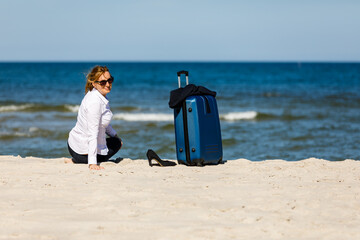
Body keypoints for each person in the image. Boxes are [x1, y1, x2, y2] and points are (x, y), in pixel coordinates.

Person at [67, 66, 122, 170]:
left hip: (74, 144)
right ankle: (79, 160)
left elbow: (104, 122)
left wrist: (115, 135)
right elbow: (93, 132)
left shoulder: (99, 96)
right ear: (94, 83)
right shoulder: (95, 102)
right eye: (103, 82)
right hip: (81, 152)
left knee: (116, 141)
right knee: (116, 144)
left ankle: (76, 159)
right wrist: (92, 163)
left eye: (110, 80)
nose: (107, 84)